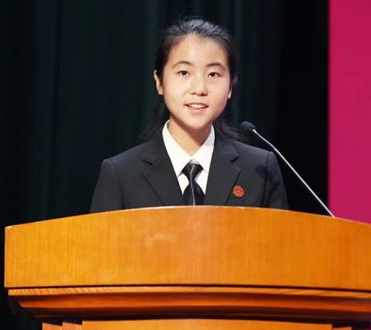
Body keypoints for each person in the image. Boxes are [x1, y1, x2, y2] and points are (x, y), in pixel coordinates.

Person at [90, 17, 288, 212]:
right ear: (159, 82)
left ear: (230, 86)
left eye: (213, 74)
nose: (199, 88)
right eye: (184, 73)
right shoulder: (121, 174)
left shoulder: (260, 170)